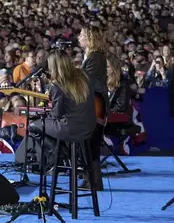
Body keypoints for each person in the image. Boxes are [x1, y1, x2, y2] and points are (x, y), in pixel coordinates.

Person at [15, 51, 96, 174]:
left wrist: (43, 115)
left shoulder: (57, 85)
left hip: (71, 128)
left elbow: (56, 115)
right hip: (89, 126)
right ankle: (63, 157)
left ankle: (56, 162)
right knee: (47, 126)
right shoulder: (83, 75)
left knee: (33, 127)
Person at [78, 26, 108, 190]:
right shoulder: (91, 56)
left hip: (95, 104)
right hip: (92, 102)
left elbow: (86, 81)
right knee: (90, 144)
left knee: (91, 143)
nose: (79, 37)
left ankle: (93, 181)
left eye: (82, 35)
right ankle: (91, 180)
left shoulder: (95, 57)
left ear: (90, 38)